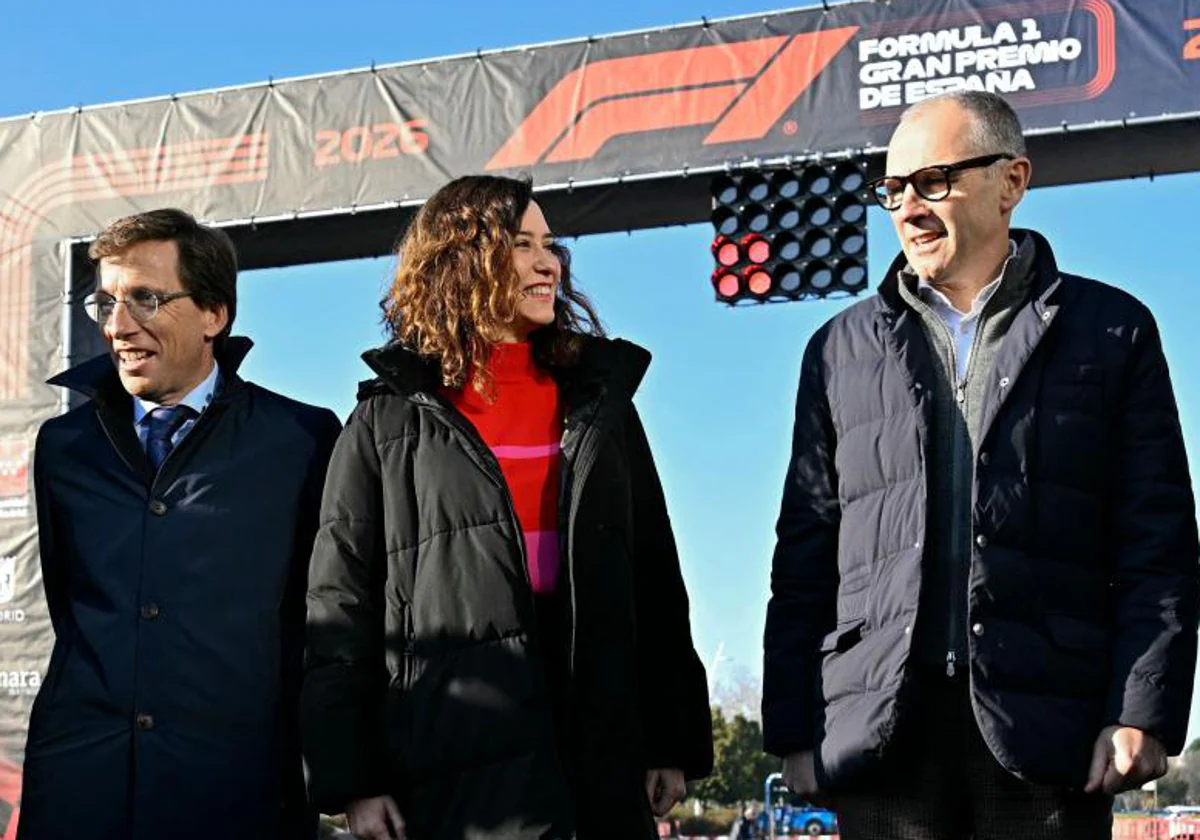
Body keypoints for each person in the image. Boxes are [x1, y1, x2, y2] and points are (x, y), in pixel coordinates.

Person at [762, 90, 1199, 840]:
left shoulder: (1113, 331)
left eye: (933, 181)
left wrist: (1141, 708)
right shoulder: (836, 350)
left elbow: (1158, 543)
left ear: (1012, 182)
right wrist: (793, 724)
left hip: (1048, 732)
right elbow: (806, 552)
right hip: (880, 735)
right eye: (892, 189)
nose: (907, 208)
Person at [302, 174, 712, 839]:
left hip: (597, 747)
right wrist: (354, 777)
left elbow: (656, 580)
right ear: (462, 259)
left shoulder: (602, 406)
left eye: (550, 244)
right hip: (449, 762)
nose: (549, 262)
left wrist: (668, 738)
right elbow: (338, 605)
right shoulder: (384, 419)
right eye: (522, 244)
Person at [20, 208, 342, 840]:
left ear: (214, 315)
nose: (118, 326)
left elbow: (324, 620)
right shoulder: (63, 446)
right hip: (80, 787)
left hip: (236, 791)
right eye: (106, 302)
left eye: (146, 298)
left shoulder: (301, 438)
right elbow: (72, 607)